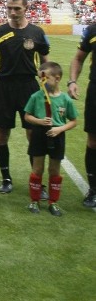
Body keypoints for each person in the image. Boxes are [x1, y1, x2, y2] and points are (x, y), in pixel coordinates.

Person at [0, 0, 50, 194]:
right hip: (4, 87)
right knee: (2, 134)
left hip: (29, 87)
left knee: (33, 134)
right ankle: (6, 178)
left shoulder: (37, 32)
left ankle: (37, 181)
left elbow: (46, 61)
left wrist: (47, 89)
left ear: (26, 8)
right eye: (9, 8)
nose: (12, 12)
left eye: (17, 8)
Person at [24, 62, 78, 216]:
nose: (42, 81)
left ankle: (53, 202)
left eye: (45, 78)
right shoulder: (36, 96)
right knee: (37, 168)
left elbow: (73, 121)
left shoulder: (65, 99)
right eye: (40, 78)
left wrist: (60, 128)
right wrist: (39, 121)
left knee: (54, 170)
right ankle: (34, 200)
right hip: (39, 134)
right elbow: (27, 116)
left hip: (57, 135)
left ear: (57, 78)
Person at [67, 21, 96, 208]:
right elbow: (79, 58)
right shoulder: (93, 29)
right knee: (93, 141)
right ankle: (93, 189)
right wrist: (72, 81)